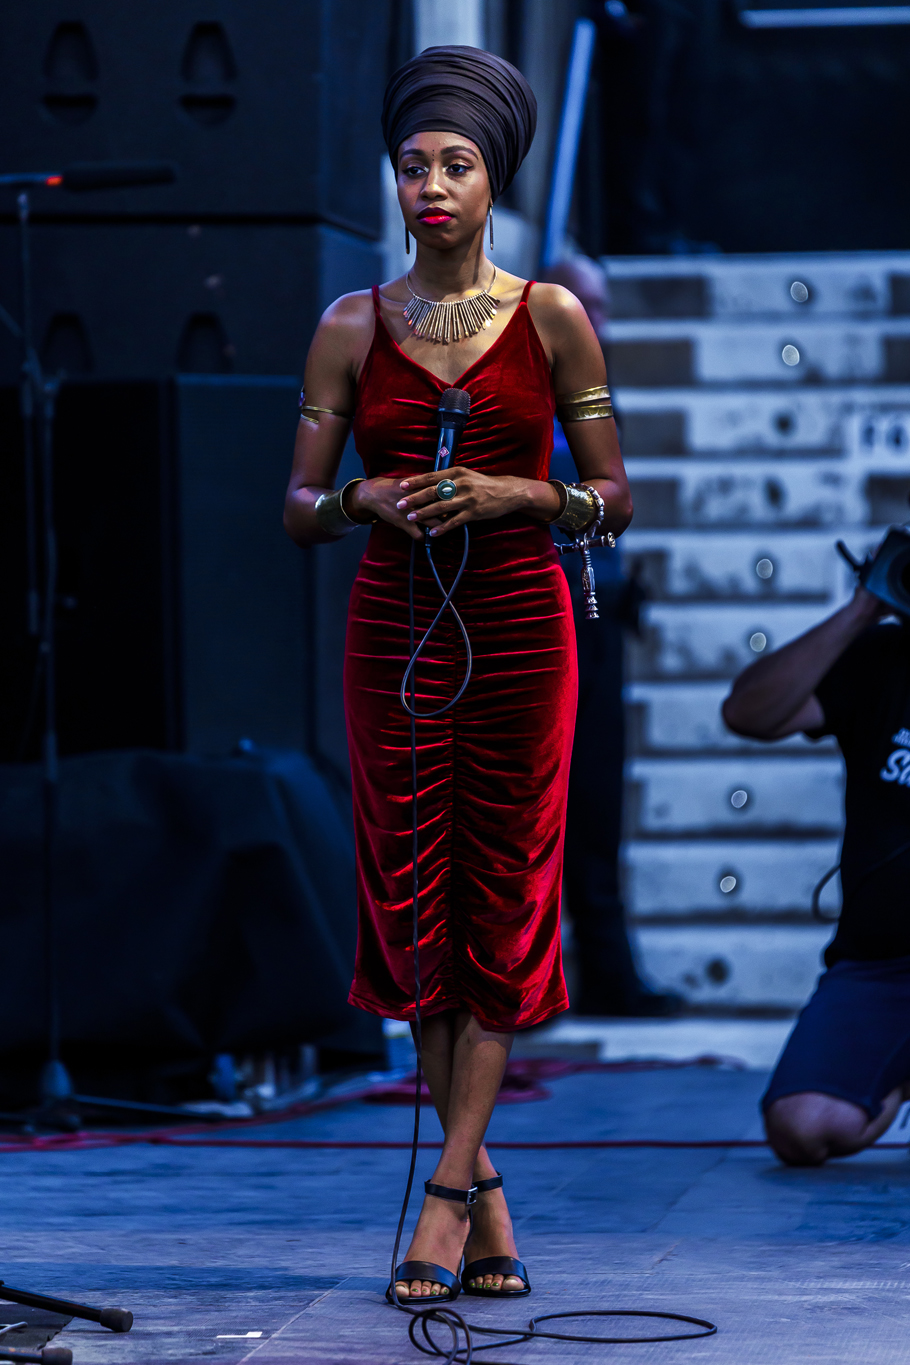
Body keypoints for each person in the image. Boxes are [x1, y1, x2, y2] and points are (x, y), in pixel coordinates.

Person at [284, 46, 631, 1301]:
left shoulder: (551, 316)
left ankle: (442, 1199)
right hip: (393, 629)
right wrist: (360, 499)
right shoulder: (349, 324)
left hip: (523, 626)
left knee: (503, 897)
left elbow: (612, 496)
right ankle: (481, 1195)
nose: (429, 186)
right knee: (413, 903)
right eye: (412, 165)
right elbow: (297, 507)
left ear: (495, 183)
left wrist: (522, 494)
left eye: (455, 165)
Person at [722, 576, 910, 1166]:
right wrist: (863, 608)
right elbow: (749, 713)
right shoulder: (882, 656)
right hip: (882, 966)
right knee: (801, 1125)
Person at [543, 253, 680, 1017]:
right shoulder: (519, 386)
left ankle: (607, 973)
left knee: (596, 800)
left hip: (593, 616)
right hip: (539, 622)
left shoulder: (592, 389)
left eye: (602, 307)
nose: (601, 322)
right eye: (586, 305)